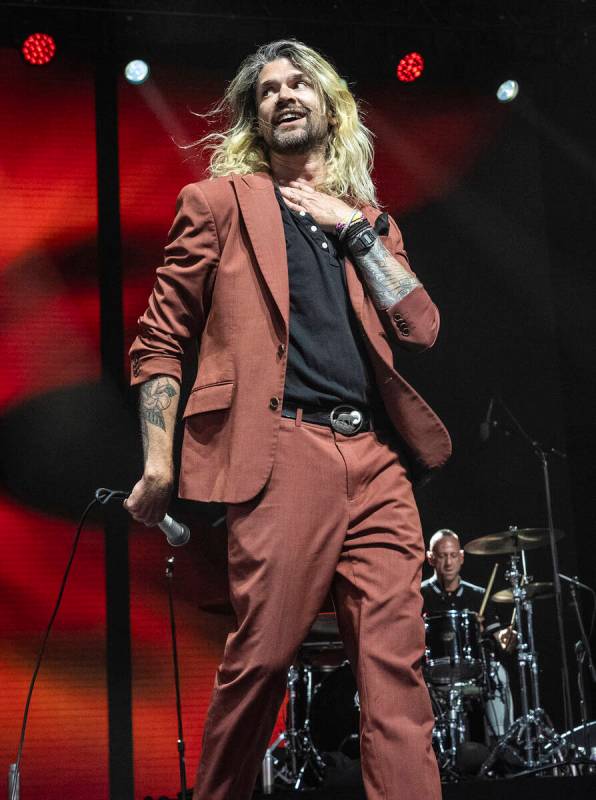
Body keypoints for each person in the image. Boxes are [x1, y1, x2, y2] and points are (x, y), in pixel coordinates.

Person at [125, 39, 451, 800]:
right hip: (283, 450)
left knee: (397, 674)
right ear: (255, 117)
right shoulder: (219, 204)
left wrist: (354, 228)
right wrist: (159, 463)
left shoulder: (367, 221)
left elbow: (423, 326)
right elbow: (160, 339)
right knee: (263, 659)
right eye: (268, 89)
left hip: (376, 462)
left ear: (329, 105)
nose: (284, 94)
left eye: (300, 82)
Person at [421, 529, 515, 739]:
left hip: (472, 671)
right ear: (430, 558)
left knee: (497, 673)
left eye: (453, 555)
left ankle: (501, 740)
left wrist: (505, 638)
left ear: (461, 557)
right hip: (431, 672)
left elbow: (497, 637)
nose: (448, 562)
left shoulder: (478, 595)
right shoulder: (419, 596)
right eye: (442, 556)